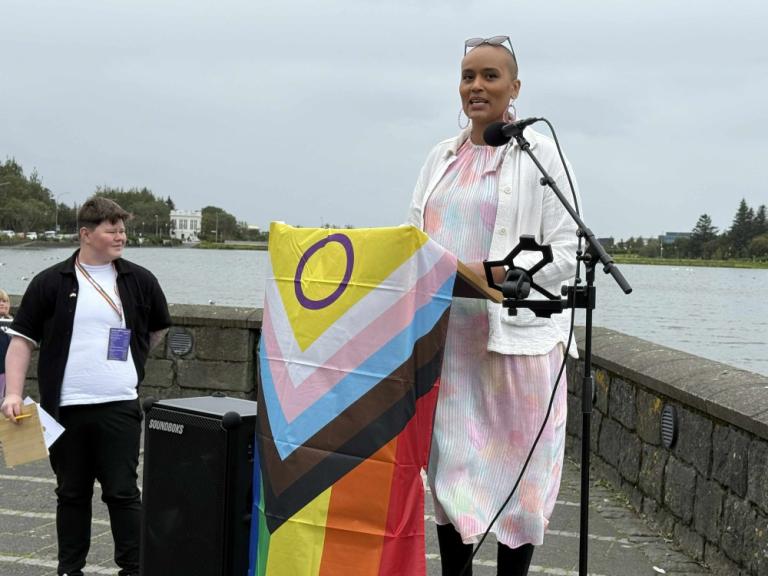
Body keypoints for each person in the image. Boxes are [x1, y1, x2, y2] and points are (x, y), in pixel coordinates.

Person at [406, 36, 582, 576]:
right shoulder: (441, 156)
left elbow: (570, 250)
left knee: (520, 485)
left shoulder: (541, 155)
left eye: (489, 76)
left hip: (518, 349)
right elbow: (412, 239)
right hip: (450, 349)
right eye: (467, 77)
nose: (476, 86)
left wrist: (498, 276)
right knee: (454, 477)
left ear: (515, 88)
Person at [0, 197, 171, 576]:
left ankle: (134, 568)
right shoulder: (51, 282)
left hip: (120, 406)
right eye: (112, 229)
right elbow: (21, 341)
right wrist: (12, 393)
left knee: (123, 493)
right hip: (66, 408)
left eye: (123, 229)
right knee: (71, 494)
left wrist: (132, 359)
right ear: (86, 234)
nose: (121, 236)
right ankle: (69, 569)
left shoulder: (139, 279)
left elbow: (158, 327)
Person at [0, 289, 12, 397]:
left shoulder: (14, 324)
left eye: (5, 301)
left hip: (8, 371)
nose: (2, 304)